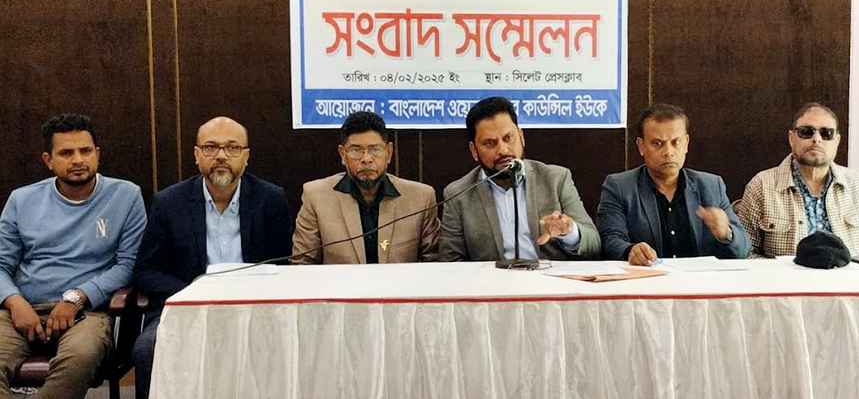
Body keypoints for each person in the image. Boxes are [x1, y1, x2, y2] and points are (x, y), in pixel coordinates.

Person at [132, 116, 292, 399]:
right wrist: (194, 293)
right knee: (148, 349)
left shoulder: (270, 199)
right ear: (196, 155)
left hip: (253, 309)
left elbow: (283, 265)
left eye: (232, 148)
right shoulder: (169, 202)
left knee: (286, 346)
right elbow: (146, 270)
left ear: (246, 157)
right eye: (210, 147)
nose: (221, 156)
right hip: (187, 309)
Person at [0, 114, 145, 399]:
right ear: (49, 160)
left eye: (85, 151)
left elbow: (128, 265)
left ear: (97, 154)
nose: (78, 160)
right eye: (66, 153)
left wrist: (77, 298)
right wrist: (15, 303)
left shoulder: (126, 196)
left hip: (87, 313)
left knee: (79, 357)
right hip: (23, 309)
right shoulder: (21, 200)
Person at [438, 97, 600, 262]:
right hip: (491, 278)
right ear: (474, 150)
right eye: (490, 143)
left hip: (548, 276)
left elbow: (594, 244)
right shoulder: (458, 195)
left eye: (508, 138)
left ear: (521, 137)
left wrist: (569, 232)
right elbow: (449, 261)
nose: (503, 150)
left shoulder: (556, 179)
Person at [597, 104, 749, 265]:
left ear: (686, 143)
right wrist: (630, 250)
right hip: (647, 277)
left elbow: (744, 249)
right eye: (657, 143)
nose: (668, 152)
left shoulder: (711, 186)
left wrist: (726, 233)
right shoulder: (620, 187)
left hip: (699, 278)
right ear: (641, 146)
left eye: (676, 142)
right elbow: (609, 240)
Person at [737, 102, 859, 260]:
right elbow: (745, 252)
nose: (816, 139)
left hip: (849, 275)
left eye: (826, 133)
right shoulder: (761, 185)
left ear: (837, 141)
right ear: (791, 138)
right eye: (806, 132)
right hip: (783, 276)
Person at [291, 111, 439, 264]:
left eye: (375, 149)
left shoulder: (421, 198)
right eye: (356, 150)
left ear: (389, 153)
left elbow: (435, 265)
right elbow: (302, 265)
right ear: (343, 154)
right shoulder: (316, 197)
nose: (366, 159)